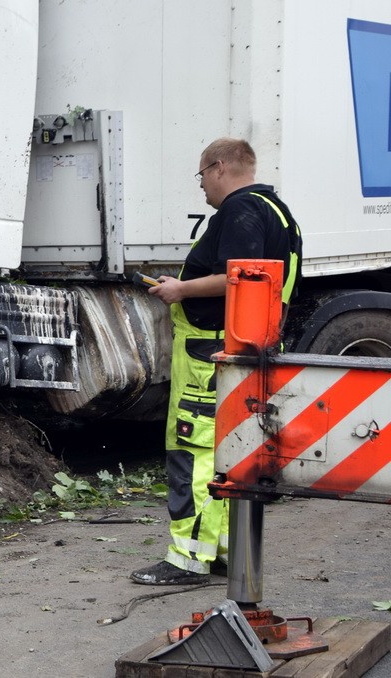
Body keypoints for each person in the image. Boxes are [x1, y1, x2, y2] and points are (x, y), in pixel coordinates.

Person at [130, 138, 302, 586]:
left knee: (194, 449)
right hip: (248, 348)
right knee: (232, 452)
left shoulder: (239, 210)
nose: (202, 186)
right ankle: (223, 548)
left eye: (202, 175)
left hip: (210, 350)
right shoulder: (279, 212)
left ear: (219, 167)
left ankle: (187, 559)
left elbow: (237, 276)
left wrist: (180, 289)